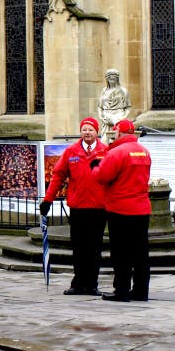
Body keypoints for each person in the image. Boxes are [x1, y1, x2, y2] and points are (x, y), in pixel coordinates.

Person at [39, 117, 106, 296]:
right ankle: (78, 283)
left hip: (99, 208)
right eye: (84, 129)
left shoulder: (105, 151)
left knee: (94, 248)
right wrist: (48, 200)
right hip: (78, 207)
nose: (87, 132)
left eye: (90, 129)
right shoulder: (71, 151)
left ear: (96, 132)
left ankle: (92, 284)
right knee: (78, 247)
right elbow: (58, 176)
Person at [90, 119, 152, 302]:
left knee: (121, 253)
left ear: (117, 132)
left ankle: (122, 290)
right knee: (141, 253)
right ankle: (141, 291)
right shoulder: (144, 151)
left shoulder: (118, 152)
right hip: (141, 209)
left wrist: (94, 167)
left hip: (121, 209)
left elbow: (102, 176)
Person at [97, 69, 130, 139]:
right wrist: (101, 117)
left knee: (118, 140)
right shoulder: (104, 91)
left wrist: (123, 118)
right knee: (105, 142)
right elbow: (100, 107)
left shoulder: (123, 91)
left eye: (113, 79)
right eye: (109, 78)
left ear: (117, 79)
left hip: (119, 117)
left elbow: (128, 108)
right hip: (106, 120)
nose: (111, 80)